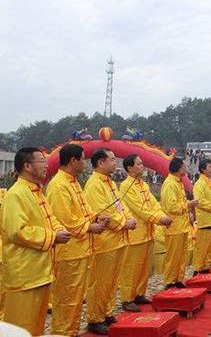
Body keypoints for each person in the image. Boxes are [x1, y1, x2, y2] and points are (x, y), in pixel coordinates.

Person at [1, 148, 70, 336]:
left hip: (40, 272)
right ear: (27, 166)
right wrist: (52, 237)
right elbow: (18, 231)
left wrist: (59, 230)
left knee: (36, 327)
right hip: (24, 275)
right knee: (21, 328)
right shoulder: (16, 194)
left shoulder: (37, 191)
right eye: (42, 161)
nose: (46, 165)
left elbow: (51, 218)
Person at [46, 144, 108, 336]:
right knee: (66, 298)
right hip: (68, 252)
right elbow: (65, 219)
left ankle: (71, 331)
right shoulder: (58, 185)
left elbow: (85, 211)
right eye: (82, 158)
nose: (85, 163)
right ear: (73, 161)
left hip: (80, 250)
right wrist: (90, 226)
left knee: (76, 298)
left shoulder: (73, 182)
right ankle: (63, 332)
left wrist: (96, 219)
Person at [84, 148, 137, 334]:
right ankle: (94, 318)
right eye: (113, 160)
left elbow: (120, 206)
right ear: (101, 162)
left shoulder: (111, 183)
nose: (116, 163)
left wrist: (128, 218)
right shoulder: (93, 185)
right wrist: (124, 222)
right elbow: (102, 213)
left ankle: (106, 312)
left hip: (118, 240)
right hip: (105, 242)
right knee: (100, 282)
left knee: (112, 281)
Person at [118, 155, 173, 312]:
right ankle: (127, 298)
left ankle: (139, 294)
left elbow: (153, 204)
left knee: (144, 267)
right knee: (131, 268)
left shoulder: (143, 185)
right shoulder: (125, 186)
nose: (143, 166)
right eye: (139, 164)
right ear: (130, 168)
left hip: (148, 233)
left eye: (142, 164)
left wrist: (161, 215)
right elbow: (139, 210)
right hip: (135, 234)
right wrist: (159, 218)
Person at [160, 158, 198, 289]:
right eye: (184, 167)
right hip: (174, 227)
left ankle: (178, 278)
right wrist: (189, 204)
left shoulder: (178, 183)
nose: (186, 169)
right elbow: (172, 206)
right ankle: (170, 281)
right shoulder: (170, 184)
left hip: (182, 226)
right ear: (178, 169)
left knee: (182, 255)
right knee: (173, 256)